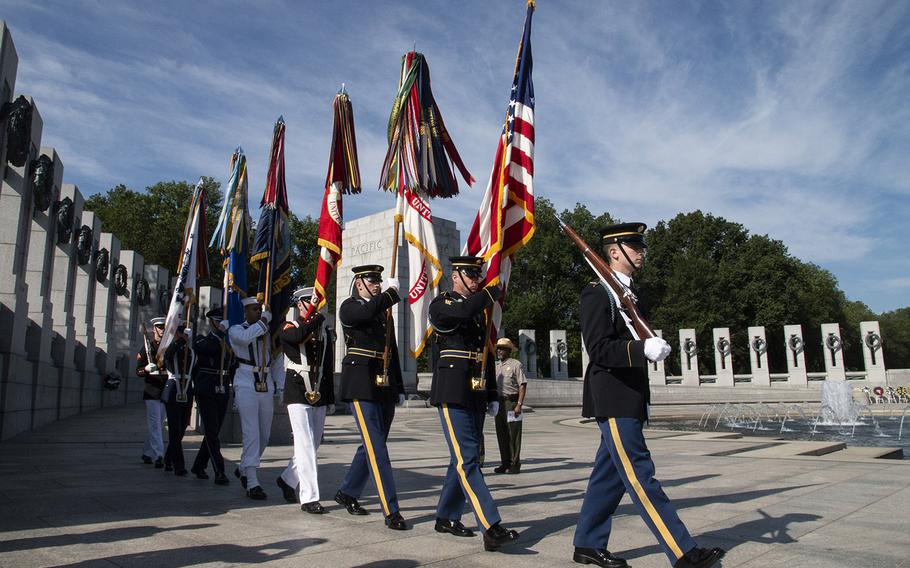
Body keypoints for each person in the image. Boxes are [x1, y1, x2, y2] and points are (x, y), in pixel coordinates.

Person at [572, 223, 725, 568]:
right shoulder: (598, 292)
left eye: (641, 247)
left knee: (608, 477)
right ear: (614, 252)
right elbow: (599, 350)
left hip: (630, 395)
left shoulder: (628, 295)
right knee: (641, 477)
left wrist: (648, 347)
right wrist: (642, 349)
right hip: (613, 397)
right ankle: (683, 552)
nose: (642, 253)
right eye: (634, 247)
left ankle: (586, 543)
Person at [428, 256, 520, 552]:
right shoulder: (442, 304)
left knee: (462, 458)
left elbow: (487, 352)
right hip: (452, 391)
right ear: (455, 277)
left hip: (476, 391)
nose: (476, 279)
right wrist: (488, 294)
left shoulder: (480, 311)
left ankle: (445, 516)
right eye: (470, 275)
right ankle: (491, 526)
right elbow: (463, 311)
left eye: (478, 275)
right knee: (469, 458)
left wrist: (492, 393)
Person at [334, 265, 408, 531]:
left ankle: (348, 491)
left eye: (379, 280)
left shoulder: (382, 314)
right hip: (360, 384)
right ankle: (391, 509)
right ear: (358, 283)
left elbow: (392, 350)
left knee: (372, 444)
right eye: (372, 280)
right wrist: (390, 294)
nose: (376, 284)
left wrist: (399, 387)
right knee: (377, 449)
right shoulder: (350, 306)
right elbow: (365, 312)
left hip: (383, 384)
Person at [277, 287, 335, 514]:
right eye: (314, 303)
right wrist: (316, 316)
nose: (319, 308)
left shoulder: (325, 332)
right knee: (305, 443)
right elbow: (298, 337)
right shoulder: (290, 325)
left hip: (318, 389)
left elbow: (327, 366)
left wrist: (329, 398)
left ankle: (287, 479)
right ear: (301, 304)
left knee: (315, 442)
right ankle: (309, 497)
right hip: (297, 389)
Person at [228, 295, 282, 500]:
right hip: (245, 381)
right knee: (250, 432)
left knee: (264, 435)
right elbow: (245, 338)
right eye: (253, 309)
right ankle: (252, 481)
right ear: (245, 312)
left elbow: (276, 358)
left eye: (260, 309)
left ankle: (244, 466)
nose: (258, 312)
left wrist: (280, 386)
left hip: (265, 382)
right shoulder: (236, 330)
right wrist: (264, 321)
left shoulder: (267, 331)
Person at [189, 308, 235, 485]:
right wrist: (222, 336)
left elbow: (232, 364)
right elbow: (208, 350)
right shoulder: (203, 339)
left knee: (214, 431)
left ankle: (199, 465)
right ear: (213, 322)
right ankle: (219, 470)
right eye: (218, 321)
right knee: (211, 430)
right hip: (206, 388)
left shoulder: (228, 343)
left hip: (223, 388)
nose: (222, 325)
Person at [162, 324, 195, 477]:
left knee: (181, 428)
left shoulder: (191, 353)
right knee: (174, 429)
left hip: (187, 390)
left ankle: (168, 458)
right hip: (174, 388)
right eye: (181, 334)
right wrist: (180, 341)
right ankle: (178, 465)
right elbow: (167, 356)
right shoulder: (171, 350)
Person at [136, 317, 167, 469]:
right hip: (152, 391)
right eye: (160, 327)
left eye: (164, 327)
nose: (162, 330)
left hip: (165, 390)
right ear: (154, 329)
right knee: (155, 424)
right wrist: (146, 369)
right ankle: (159, 454)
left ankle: (147, 453)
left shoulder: (168, 347)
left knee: (158, 425)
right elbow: (138, 370)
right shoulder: (147, 348)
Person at [493, 337, 527, 475]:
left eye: (502, 348)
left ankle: (514, 464)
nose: (499, 351)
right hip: (499, 403)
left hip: (511, 402)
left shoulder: (515, 364)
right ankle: (504, 462)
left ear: (508, 350)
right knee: (501, 434)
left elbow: (522, 385)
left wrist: (519, 404)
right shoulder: (496, 366)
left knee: (514, 434)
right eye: (498, 348)